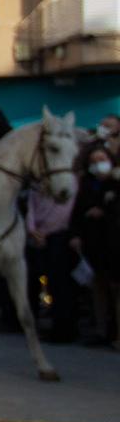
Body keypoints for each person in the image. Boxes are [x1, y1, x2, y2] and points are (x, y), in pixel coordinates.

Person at [26, 159, 82, 344]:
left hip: (58, 236)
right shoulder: (38, 182)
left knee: (60, 286)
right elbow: (31, 205)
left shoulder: (69, 181)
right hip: (37, 237)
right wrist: (32, 228)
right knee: (36, 280)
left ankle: (63, 329)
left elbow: (65, 211)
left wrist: (46, 231)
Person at [73, 141, 120, 348]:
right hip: (96, 246)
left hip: (115, 245)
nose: (98, 165)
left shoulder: (116, 183)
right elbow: (77, 213)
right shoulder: (87, 185)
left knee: (117, 290)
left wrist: (105, 210)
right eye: (93, 161)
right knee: (99, 289)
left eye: (101, 160)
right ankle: (102, 331)